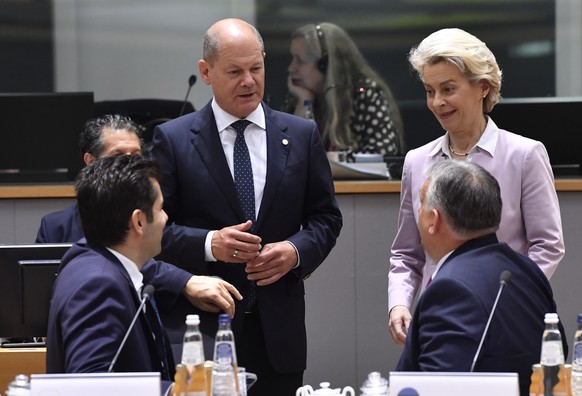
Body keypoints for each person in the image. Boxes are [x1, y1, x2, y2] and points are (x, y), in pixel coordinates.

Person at [150, 18, 343, 396]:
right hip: (203, 331)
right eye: (235, 71)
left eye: (256, 68)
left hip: (279, 332)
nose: (249, 81)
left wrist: (294, 251)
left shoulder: (301, 135)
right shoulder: (173, 140)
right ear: (206, 72)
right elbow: (155, 230)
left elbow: (326, 217)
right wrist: (209, 243)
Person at [388, 28, 564, 346]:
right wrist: (399, 302)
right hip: (437, 319)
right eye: (429, 91)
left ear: (482, 87)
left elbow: (548, 246)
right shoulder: (416, 162)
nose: (437, 102)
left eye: (448, 89)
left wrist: (506, 298)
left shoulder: (525, 154)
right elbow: (406, 254)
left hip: (506, 318)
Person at [46, 154, 242, 394]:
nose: (166, 218)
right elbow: (91, 385)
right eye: (160, 209)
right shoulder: (98, 285)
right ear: (138, 221)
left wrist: (187, 380)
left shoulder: (88, 261)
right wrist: (175, 391)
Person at [395, 160, 567, 396]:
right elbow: (558, 351)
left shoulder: (450, 289)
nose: (418, 212)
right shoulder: (526, 268)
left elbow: (436, 389)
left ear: (434, 220)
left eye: (422, 204)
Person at [284, 22, 405, 161]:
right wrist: (304, 103)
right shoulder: (298, 96)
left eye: (300, 61)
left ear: (325, 65)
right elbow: (286, 158)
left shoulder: (365, 94)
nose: (291, 68)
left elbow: (383, 158)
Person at [36, 114, 144, 243]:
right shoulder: (54, 228)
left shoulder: (155, 220)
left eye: (135, 155)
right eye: (118, 155)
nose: (130, 163)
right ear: (91, 161)